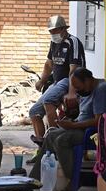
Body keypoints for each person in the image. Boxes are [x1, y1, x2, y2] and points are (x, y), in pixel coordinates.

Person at [29, 68, 106, 191]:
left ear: (88, 80)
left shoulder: (102, 90)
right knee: (51, 135)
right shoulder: (88, 90)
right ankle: (34, 179)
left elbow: (99, 121)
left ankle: (73, 180)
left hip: (96, 132)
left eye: (79, 87)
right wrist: (69, 120)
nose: (77, 91)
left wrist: (73, 126)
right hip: (82, 127)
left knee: (62, 140)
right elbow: (83, 114)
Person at [28, 15, 86, 149]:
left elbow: (74, 70)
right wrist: (42, 81)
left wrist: (72, 93)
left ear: (63, 29)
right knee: (34, 112)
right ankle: (42, 148)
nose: (53, 34)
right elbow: (49, 64)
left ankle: (54, 141)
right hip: (57, 82)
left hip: (70, 80)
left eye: (55, 31)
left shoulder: (73, 42)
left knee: (48, 101)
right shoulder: (54, 43)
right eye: (51, 31)